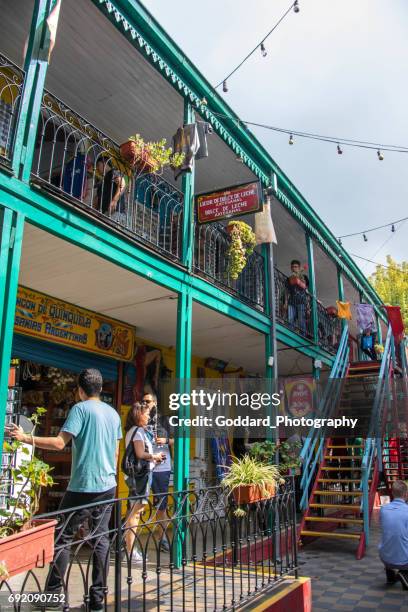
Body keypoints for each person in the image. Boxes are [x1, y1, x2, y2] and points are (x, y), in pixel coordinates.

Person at [6, 368, 122, 612]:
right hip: (108, 484)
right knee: (101, 538)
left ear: (80, 390)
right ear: (99, 389)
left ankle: (54, 595)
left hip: (83, 485)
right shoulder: (113, 414)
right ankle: (98, 599)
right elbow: (115, 453)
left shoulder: (79, 409)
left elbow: (60, 443)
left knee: (62, 538)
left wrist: (25, 438)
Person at [123, 402, 165, 563]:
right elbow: (140, 453)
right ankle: (131, 551)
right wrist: (154, 457)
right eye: (146, 413)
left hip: (137, 476)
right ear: (138, 414)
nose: (148, 416)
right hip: (141, 477)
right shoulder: (138, 431)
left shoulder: (131, 431)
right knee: (136, 512)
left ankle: (129, 548)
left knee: (133, 511)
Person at [144, 392, 174, 553]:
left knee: (161, 506)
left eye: (147, 401)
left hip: (162, 468)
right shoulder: (141, 419)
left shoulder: (165, 420)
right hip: (144, 467)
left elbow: (178, 439)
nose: (145, 404)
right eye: (143, 401)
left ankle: (161, 539)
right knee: (137, 504)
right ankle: (127, 542)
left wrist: (166, 440)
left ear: (155, 402)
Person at [379, 480, 408, 589]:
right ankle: (405, 574)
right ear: (406, 494)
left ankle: (391, 576)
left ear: (392, 493)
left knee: (390, 538)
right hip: (403, 561)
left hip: (385, 557)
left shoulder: (383, 509)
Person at [94, 156, 127, 225]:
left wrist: (114, 201)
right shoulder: (103, 182)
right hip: (104, 215)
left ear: (104, 163)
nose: (97, 168)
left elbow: (122, 183)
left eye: (98, 165)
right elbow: (97, 200)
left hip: (114, 212)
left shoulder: (113, 172)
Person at [286, 259, 309, 335]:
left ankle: (303, 336)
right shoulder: (289, 279)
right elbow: (287, 292)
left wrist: (308, 305)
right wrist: (285, 303)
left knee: (301, 320)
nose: (294, 268)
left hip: (301, 301)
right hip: (291, 301)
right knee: (290, 319)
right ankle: (290, 334)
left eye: (296, 267)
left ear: (299, 268)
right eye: (293, 267)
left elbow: (307, 290)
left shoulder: (304, 277)